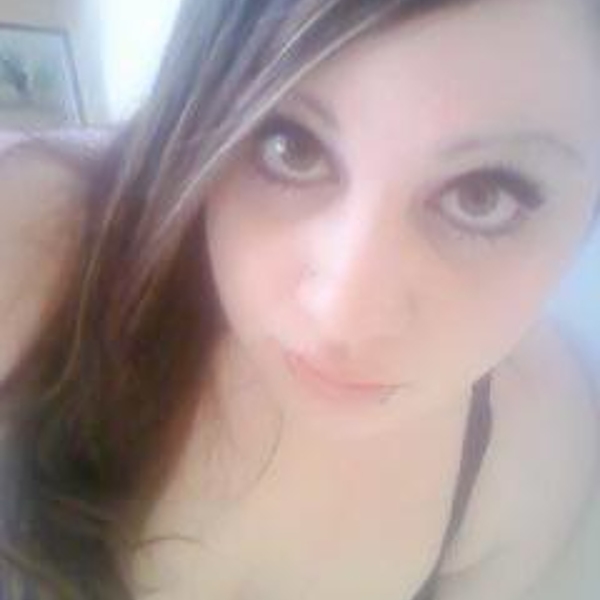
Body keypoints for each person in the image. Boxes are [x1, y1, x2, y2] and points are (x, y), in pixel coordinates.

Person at [0, 0, 599, 598]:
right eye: (291, 147)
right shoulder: (39, 241)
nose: (345, 319)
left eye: (483, 195)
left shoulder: (534, 455)